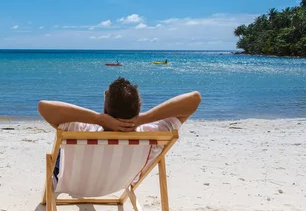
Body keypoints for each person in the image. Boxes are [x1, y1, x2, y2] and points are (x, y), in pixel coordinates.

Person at [37, 77, 201, 180]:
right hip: (123, 180)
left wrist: (98, 119)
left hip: (74, 180)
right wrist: (145, 118)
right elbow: (194, 99)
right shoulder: (153, 133)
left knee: (62, 151)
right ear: (139, 107)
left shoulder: (81, 129)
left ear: (105, 108)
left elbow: (44, 107)